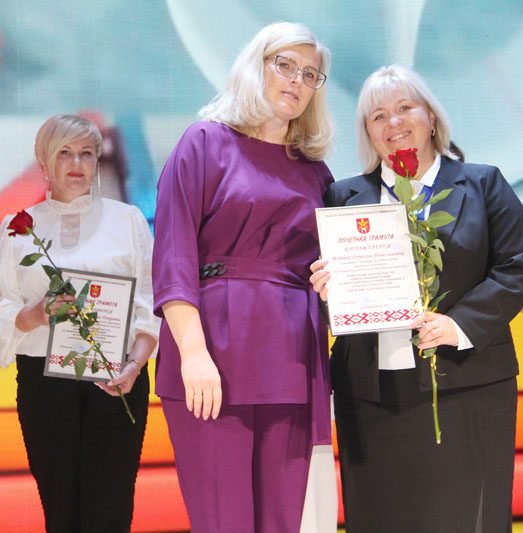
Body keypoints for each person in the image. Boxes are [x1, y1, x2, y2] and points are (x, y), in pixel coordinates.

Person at [309, 64, 523, 532]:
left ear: (430, 116)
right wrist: (329, 293)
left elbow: (518, 265)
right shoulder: (342, 197)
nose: (393, 123)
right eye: (378, 116)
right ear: (367, 132)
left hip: (471, 386)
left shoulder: (483, 184)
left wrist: (459, 324)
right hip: (372, 397)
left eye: (404, 108)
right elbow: (328, 299)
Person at [152, 22, 337, 533]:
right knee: (223, 521)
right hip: (213, 356)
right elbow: (173, 258)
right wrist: (194, 355)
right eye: (285, 65)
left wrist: (333, 283)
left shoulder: (316, 172)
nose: (297, 81)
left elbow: (330, 269)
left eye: (310, 74)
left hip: (292, 360)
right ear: (256, 67)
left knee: (282, 521)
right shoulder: (203, 142)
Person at [0, 114, 159, 532]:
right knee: (62, 511)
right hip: (44, 384)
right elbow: (3, 305)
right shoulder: (16, 228)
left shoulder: (128, 220)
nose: (77, 163)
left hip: (117, 378)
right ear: (44, 162)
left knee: (110, 509)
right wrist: (36, 314)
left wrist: (135, 366)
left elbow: (149, 303)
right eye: (65, 153)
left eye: (87, 154)